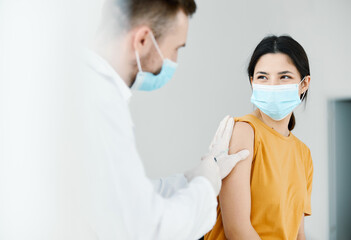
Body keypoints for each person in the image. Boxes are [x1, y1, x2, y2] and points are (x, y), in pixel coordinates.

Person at [76, 0, 249, 239]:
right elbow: (148, 228)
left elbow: (126, 197)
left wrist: (192, 178)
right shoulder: (101, 104)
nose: (173, 61)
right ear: (143, 40)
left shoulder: (84, 87)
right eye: (177, 48)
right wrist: (205, 188)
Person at [204, 35, 314, 240]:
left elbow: (298, 233)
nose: (272, 85)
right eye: (263, 77)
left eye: (284, 77)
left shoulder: (303, 154)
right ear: (252, 82)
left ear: (304, 84)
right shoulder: (244, 132)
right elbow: (237, 230)